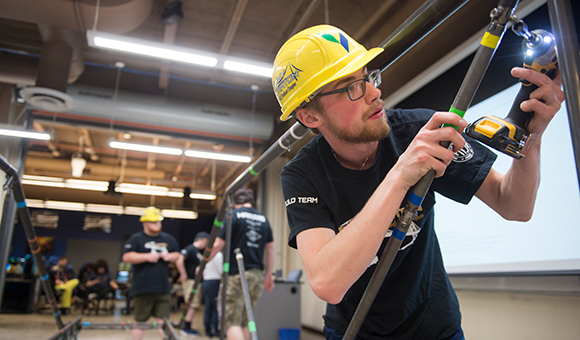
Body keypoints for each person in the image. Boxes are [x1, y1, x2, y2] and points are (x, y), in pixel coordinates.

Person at [272, 25, 564, 340]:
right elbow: (328, 283)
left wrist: (531, 139)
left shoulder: (417, 131)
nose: (374, 92)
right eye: (350, 87)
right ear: (310, 117)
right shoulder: (303, 174)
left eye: (368, 76)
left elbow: (514, 205)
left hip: (435, 326)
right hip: (354, 331)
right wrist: (400, 174)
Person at [210, 187, 275, 340]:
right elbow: (270, 249)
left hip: (237, 274)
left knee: (232, 320)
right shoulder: (263, 218)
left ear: (234, 202)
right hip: (256, 276)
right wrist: (268, 275)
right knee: (246, 320)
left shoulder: (232, 215)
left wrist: (204, 262)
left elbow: (218, 244)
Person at [122, 207, 180, 340]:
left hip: (163, 287)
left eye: (158, 222)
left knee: (163, 321)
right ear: (145, 223)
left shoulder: (168, 238)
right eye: (153, 222)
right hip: (143, 287)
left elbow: (177, 254)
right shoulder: (136, 239)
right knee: (140, 320)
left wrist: (169, 257)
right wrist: (146, 257)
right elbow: (126, 257)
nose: (156, 225)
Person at [176, 231, 209, 336]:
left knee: (193, 304)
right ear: (201, 239)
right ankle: (186, 327)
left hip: (196, 280)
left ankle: (185, 325)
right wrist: (183, 274)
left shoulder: (198, 252)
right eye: (206, 241)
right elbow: (179, 259)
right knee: (192, 303)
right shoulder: (190, 249)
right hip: (190, 280)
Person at [202, 248, 223, 338]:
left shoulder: (207, 255)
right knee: (215, 307)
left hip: (206, 281)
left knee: (208, 306)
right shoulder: (218, 255)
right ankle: (215, 330)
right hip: (214, 282)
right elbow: (221, 270)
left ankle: (207, 330)